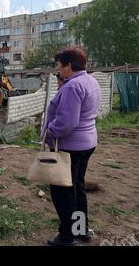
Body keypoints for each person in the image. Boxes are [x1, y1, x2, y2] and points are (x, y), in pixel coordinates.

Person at [42, 47, 100, 246]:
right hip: (87, 143)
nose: (58, 69)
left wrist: (49, 131)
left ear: (68, 65)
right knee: (77, 188)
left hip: (71, 147)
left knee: (62, 192)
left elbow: (66, 123)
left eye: (59, 65)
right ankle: (81, 230)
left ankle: (67, 237)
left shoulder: (72, 87)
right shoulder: (90, 81)